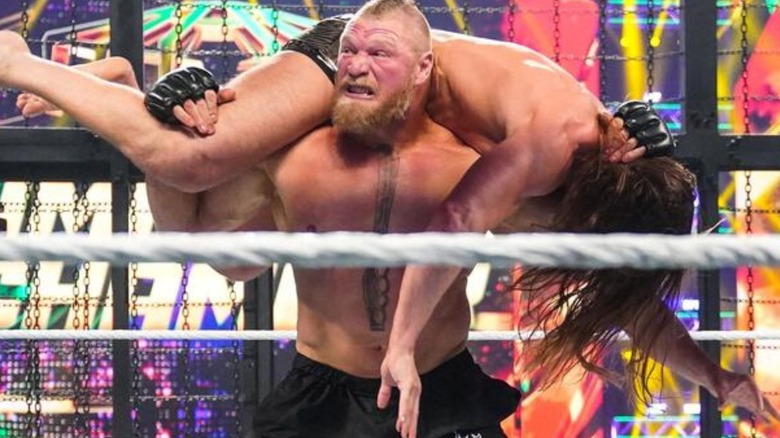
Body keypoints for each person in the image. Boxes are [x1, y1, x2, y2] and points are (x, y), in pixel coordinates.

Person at [2, 2, 775, 436]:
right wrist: (398, 347)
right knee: (196, 162)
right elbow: (459, 216)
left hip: (440, 386)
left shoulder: (564, 183)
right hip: (374, 52)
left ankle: (125, 96)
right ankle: (22, 61)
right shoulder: (555, 144)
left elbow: (624, 295)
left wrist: (717, 377)